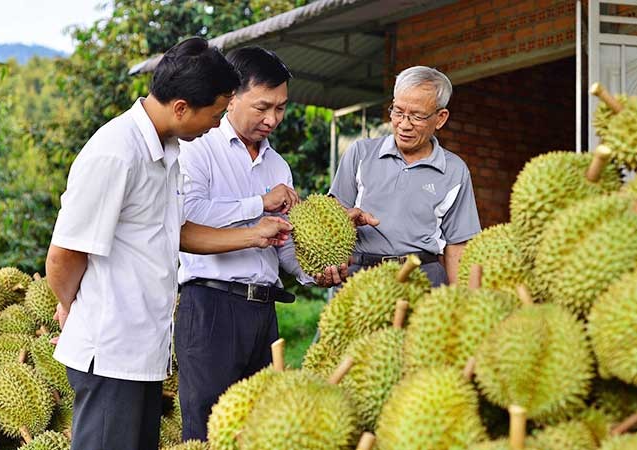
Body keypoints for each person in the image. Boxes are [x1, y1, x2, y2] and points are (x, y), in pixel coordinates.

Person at [44, 38, 293, 450]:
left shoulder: (167, 149)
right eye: (215, 114)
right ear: (181, 107)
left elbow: (176, 231)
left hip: (143, 348)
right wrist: (74, 307)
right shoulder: (116, 153)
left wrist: (255, 233)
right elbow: (64, 254)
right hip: (111, 347)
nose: (217, 124)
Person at [176, 46, 377, 441]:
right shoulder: (198, 149)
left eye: (281, 109)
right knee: (206, 429)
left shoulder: (277, 164)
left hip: (263, 311)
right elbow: (187, 219)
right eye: (262, 107)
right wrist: (259, 203)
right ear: (231, 96)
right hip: (210, 306)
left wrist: (311, 272)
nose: (272, 119)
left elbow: (281, 242)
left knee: (264, 425)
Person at [329, 65, 481, 286]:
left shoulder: (455, 171)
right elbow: (331, 215)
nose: (404, 124)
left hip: (424, 279)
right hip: (363, 276)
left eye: (417, 116)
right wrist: (344, 220)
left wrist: (464, 304)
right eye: (398, 112)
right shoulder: (361, 153)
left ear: (440, 118)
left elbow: (458, 246)